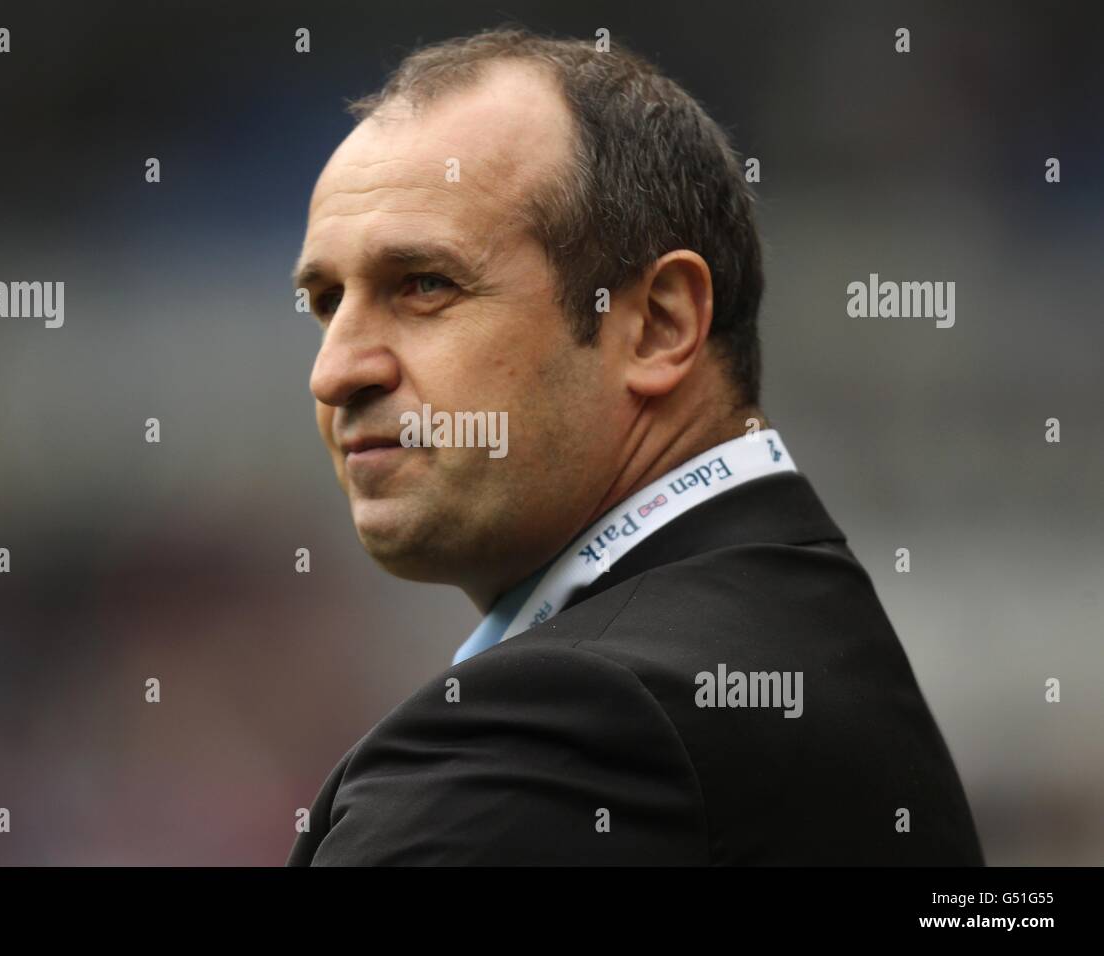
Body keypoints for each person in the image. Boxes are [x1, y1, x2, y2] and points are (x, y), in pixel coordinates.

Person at [287, 27, 984, 865]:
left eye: (425, 285)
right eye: (327, 301)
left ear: (657, 325)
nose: (336, 372)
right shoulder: (787, 629)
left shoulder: (576, 723)